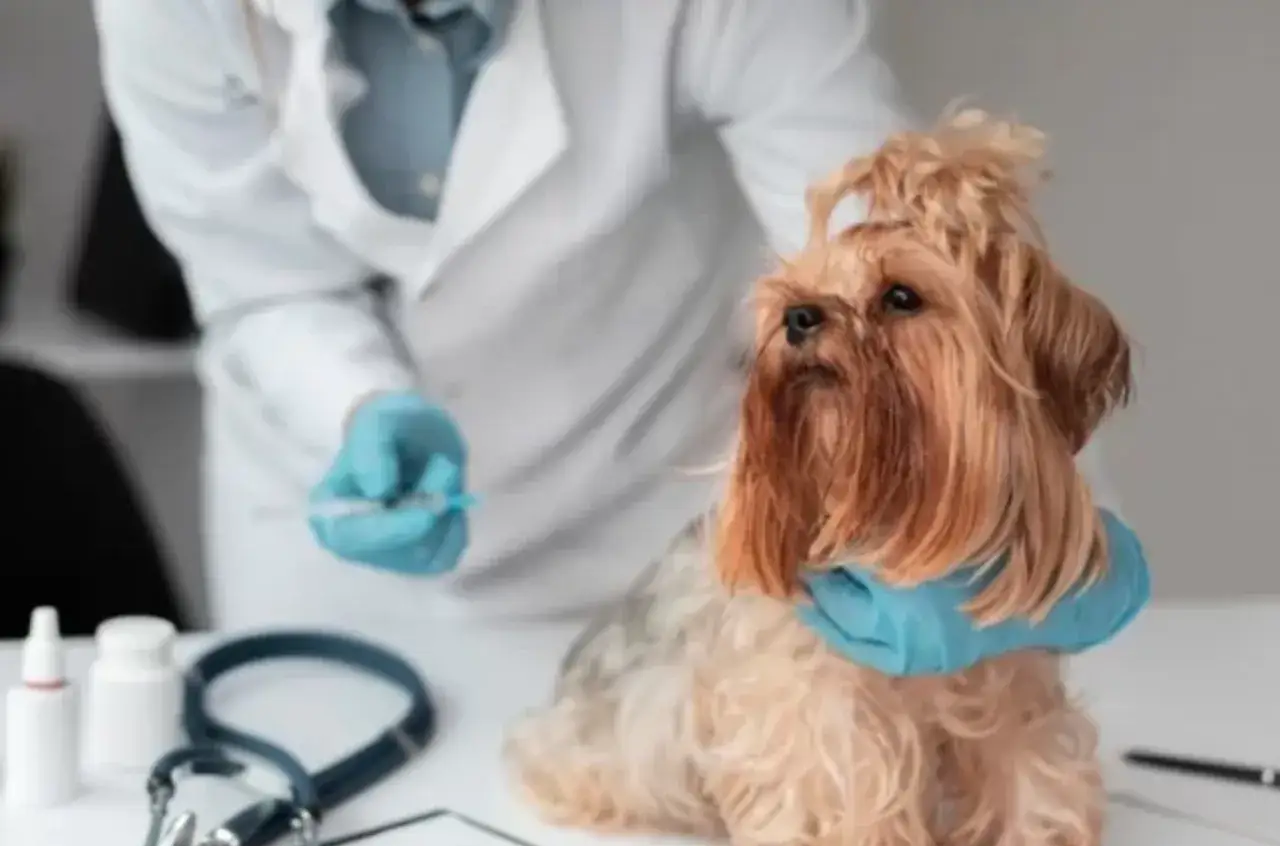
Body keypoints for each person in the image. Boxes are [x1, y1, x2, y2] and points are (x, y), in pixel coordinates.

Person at [91, 0, 1148, 671]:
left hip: (645, 525)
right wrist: (357, 406)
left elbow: (916, 272)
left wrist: (1051, 542)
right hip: (333, 548)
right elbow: (263, 281)